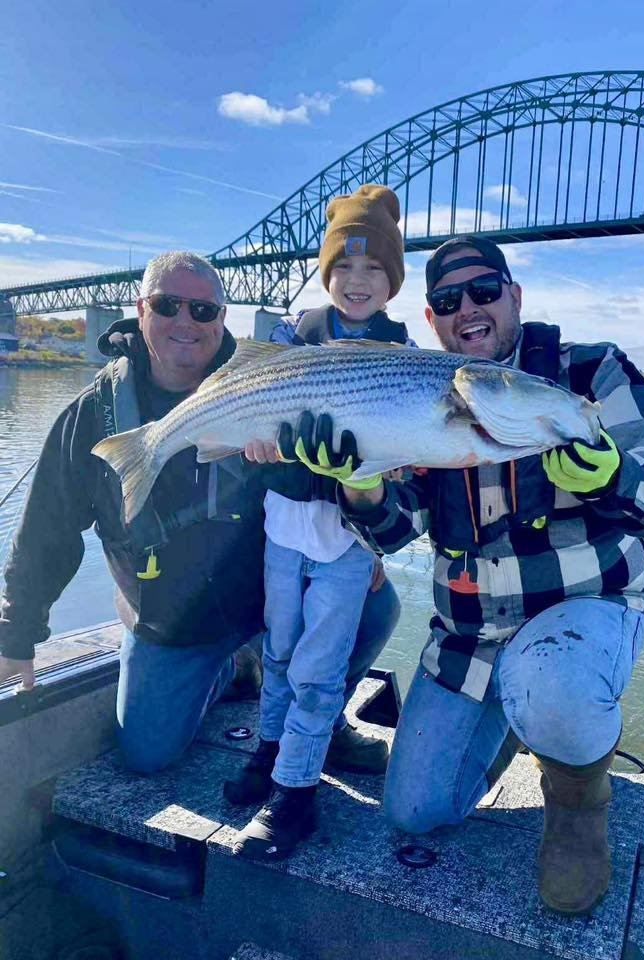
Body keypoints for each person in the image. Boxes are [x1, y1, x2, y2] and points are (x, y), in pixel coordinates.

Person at [285, 235, 644, 914]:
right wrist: (357, 484)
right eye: (448, 301)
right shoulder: (418, 394)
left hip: (584, 617)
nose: (467, 308)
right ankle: (512, 724)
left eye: (483, 291)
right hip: (471, 637)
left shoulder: (592, 371)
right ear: (432, 320)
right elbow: (397, 529)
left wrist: (615, 475)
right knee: (415, 812)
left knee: (551, 676)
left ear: (515, 297)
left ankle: (577, 798)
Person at [0, 250, 399, 778]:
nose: (185, 322)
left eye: (203, 311)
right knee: (147, 754)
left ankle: (319, 723)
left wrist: (362, 530)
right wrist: (17, 631)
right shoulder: (93, 413)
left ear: (223, 319)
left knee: (375, 604)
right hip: (173, 623)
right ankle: (232, 671)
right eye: (168, 306)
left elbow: (317, 489)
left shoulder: (274, 379)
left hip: (265, 600)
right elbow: (48, 530)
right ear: (140, 309)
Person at [228, 185, 412, 862]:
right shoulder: (291, 336)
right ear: (324, 273)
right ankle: (273, 755)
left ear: (393, 280)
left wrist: (392, 480)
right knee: (277, 652)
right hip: (283, 529)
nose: (356, 282)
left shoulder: (406, 354)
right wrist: (251, 444)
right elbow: (256, 422)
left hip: (345, 544)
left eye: (374, 270)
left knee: (316, 668)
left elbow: (403, 467)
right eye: (343, 268)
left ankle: (296, 797)